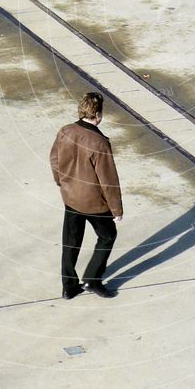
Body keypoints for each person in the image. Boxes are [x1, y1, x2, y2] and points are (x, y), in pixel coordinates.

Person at [49, 91, 123, 299]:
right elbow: (108, 180)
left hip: (70, 197)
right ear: (98, 114)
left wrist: (61, 181)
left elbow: (54, 159)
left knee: (71, 242)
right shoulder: (99, 142)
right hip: (94, 203)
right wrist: (116, 209)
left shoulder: (65, 131)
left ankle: (69, 287)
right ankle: (92, 278)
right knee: (108, 236)